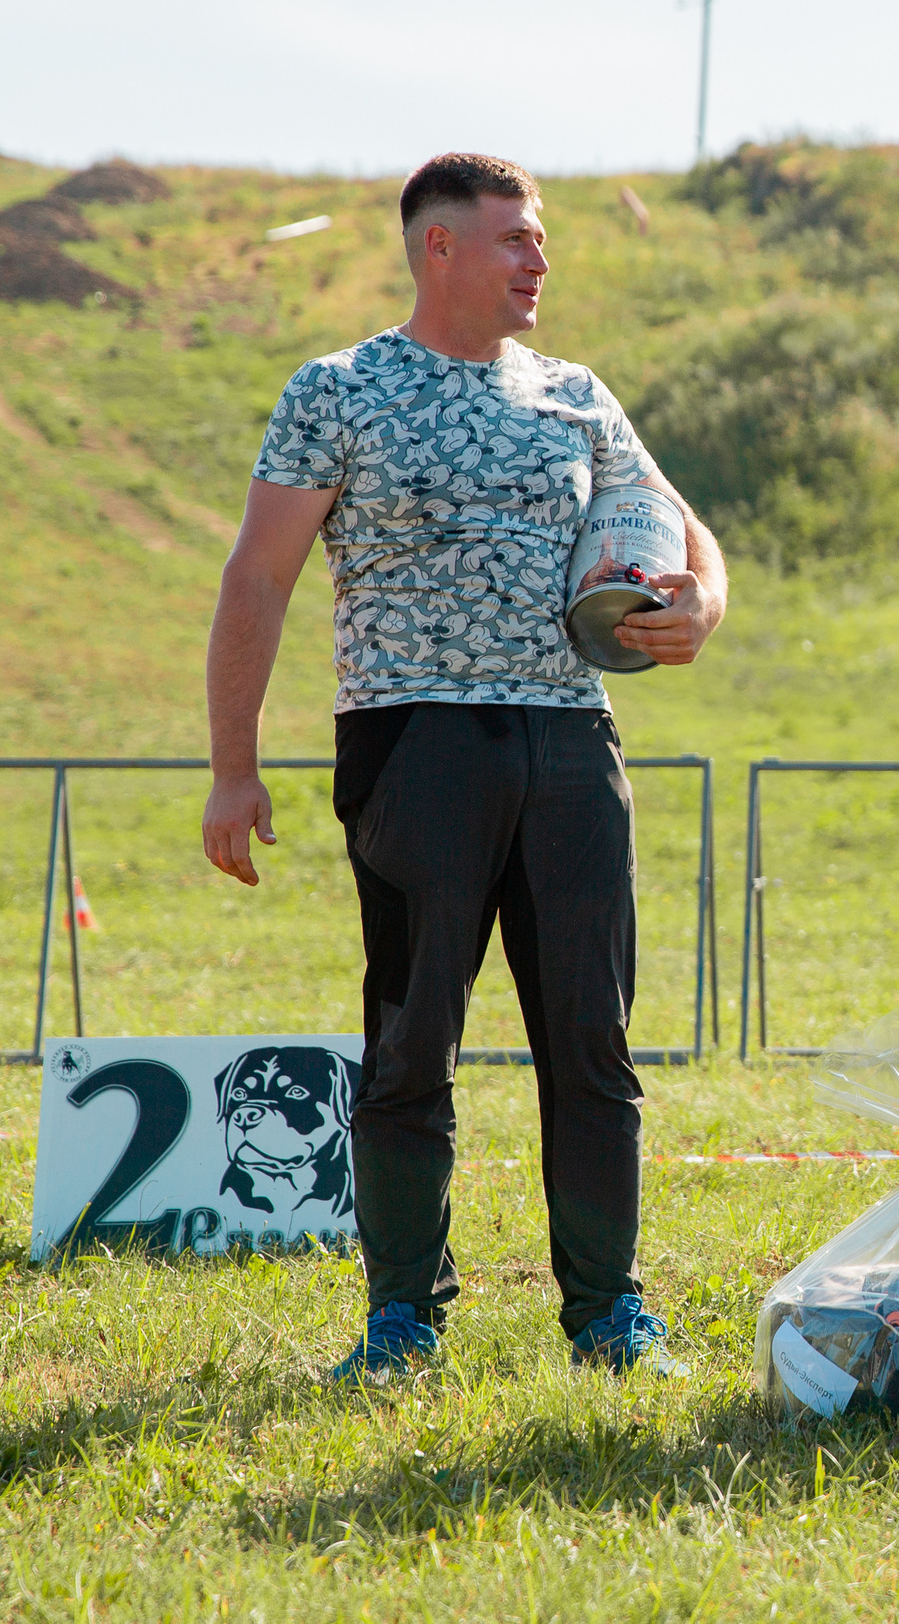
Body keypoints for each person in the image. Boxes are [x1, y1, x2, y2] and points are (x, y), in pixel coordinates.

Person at [201, 153, 729, 1382]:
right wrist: (235, 770)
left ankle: (609, 1315)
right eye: (515, 239)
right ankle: (402, 1321)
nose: (539, 259)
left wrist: (700, 601)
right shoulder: (340, 390)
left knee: (593, 1045)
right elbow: (256, 581)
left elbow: (679, 522)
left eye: (540, 239)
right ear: (438, 247)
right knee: (410, 1040)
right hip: (414, 739)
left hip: (570, 741)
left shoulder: (576, 393)